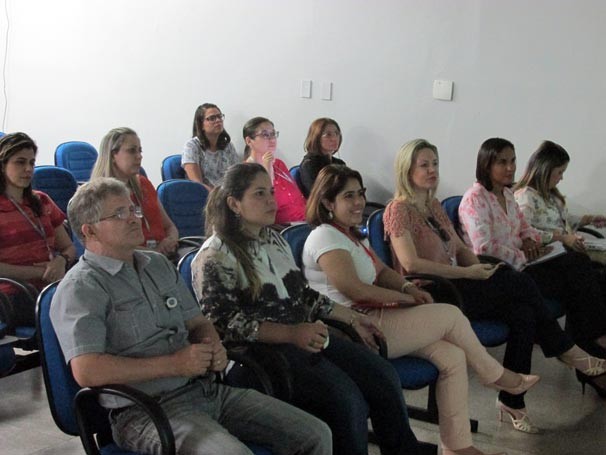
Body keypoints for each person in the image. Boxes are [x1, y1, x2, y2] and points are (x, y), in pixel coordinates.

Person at [50, 177, 332, 455]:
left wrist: (213, 345)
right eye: (119, 213)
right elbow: (87, 370)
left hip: (205, 390)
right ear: (90, 231)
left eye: (133, 209)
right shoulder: (81, 288)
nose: (135, 218)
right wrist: (173, 364)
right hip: (144, 411)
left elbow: (197, 322)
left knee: (315, 434)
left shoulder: (157, 264)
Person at [302, 164, 537, 453]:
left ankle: (457, 446)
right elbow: (355, 290)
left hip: (379, 315)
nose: (358, 202)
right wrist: (406, 300)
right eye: (348, 196)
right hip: (355, 327)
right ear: (327, 202)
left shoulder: (351, 235)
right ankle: (494, 375)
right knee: (450, 315)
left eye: (360, 194)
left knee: (452, 355)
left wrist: (407, 288)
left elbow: (383, 271)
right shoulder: (325, 237)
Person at [192, 162, 420, 455]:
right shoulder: (214, 256)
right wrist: (290, 334)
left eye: (271, 192)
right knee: (346, 399)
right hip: (257, 358)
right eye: (259, 194)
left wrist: (352, 318)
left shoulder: (274, 239)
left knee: (382, 375)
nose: (271, 201)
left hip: (301, 339)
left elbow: (303, 295)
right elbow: (225, 326)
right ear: (234, 203)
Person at [382, 138, 606, 430]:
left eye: (434, 163)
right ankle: (566, 349)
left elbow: (462, 248)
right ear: (406, 170)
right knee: (522, 282)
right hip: (435, 291)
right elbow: (411, 265)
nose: (432, 170)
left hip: (460, 281)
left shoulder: (433, 205)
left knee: (523, 313)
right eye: (423, 165)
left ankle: (512, 402)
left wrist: (479, 269)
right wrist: (467, 273)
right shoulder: (399, 210)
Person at [459, 137, 606, 397]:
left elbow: (526, 229)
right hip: (495, 273)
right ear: (486, 164)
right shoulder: (475, 199)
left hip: (522, 266)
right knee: (574, 270)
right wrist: (522, 252)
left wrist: (531, 240)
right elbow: (484, 248)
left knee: (577, 273)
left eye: (513, 160)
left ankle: (516, 400)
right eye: (501, 162)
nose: (510, 167)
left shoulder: (507, 194)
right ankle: (582, 348)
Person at [0, 132, 76, 329]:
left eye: (32, 163)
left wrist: (61, 261)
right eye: (20, 162)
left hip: (51, 284)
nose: (28, 169)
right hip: (13, 293)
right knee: (74, 312)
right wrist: (40, 272)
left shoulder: (42, 200)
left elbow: (69, 247)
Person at [91, 127, 179, 258]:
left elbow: (169, 226)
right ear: (113, 155)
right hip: (131, 261)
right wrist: (153, 253)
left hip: (164, 256)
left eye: (140, 150)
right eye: (132, 151)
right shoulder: (100, 194)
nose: (139, 156)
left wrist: (171, 240)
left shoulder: (143, 184)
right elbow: (109, 245)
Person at [514, 140, 606, 263]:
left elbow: (561, 221)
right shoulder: (526, 196)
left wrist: (590, 219)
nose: (561, 177)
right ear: (546, 170)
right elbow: (524, 231)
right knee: (581, 261)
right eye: (560, 172)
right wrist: (563, 238)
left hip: (565, 250)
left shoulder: (551, 194)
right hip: (548, 254)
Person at [243, 117, 306, 225]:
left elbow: (297, 198)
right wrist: (267, 169)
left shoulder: (279, 164)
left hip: (304, 220)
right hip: (281, 227)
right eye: (265, 135)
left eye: (273, 134)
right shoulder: (247, 171)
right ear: (249, 141)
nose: (272, 140)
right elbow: (266, 204)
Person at [181, 103, 240, 191]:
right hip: (206, 196)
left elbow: (237, 174)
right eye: (212, 118)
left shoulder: (228, 146)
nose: (218, 120)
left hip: (229, 193)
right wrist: (218, 197)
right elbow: (197, 182)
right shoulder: (192, 146)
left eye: (219, 117)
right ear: (201, 125)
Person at [299, 118, 346, 198]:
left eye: (336, 133)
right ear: (316, 137)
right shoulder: (309, 164)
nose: (334, 138)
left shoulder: (339, 163)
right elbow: (319, 197)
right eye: (328, 135)